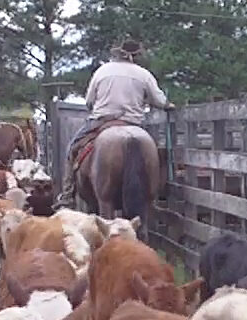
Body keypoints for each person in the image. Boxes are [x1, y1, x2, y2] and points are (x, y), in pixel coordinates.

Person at [55, 40, 175, 209]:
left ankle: (67, 195)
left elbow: (89, 101)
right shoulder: (144, 74)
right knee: (158, 153)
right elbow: (159, 100)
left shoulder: (102, 71)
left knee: (72, 149)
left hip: (103, 120)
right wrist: (168, 105)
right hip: (133, 122)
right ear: (136, 56)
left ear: (117, 53)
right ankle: (156, 196)